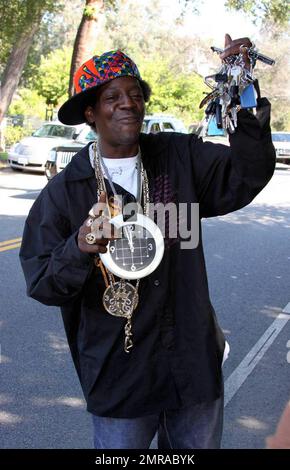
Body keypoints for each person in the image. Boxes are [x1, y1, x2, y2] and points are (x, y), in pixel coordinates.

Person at [20, 34, 276, 449]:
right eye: (112, 97)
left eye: (135, 94)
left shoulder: (179, 158)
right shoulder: (67, 192)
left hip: (191, 368)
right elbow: (43, 282)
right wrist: (80, 246)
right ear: (90, 112)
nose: (127, 103)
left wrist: (242, 87)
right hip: (121, 378)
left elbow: (249, 172)